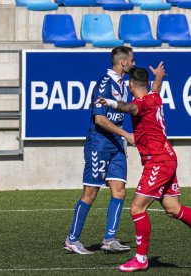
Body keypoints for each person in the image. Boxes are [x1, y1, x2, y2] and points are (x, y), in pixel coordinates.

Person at [96, 64, 191, 272]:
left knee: (137, 208)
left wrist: (109, 102)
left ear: (131, 86)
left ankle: (141, 258)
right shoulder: (154, 97)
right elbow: (155, 88)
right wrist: (158, 77)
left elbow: (127, 108)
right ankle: (141, 258)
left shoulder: (139, 103)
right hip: (167, 158)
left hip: (158, 161)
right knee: (173, 209)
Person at [64, 46, 136, 255]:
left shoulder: (124, 85)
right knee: (90, 192)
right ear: (123, 62)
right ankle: (72, 239)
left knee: (119, 191)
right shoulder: (104, 84)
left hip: (116, 147)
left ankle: (109, 239)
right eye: (131, 60)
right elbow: (100, 119)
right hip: (99, 145)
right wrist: (125, 134)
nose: (133, 63)